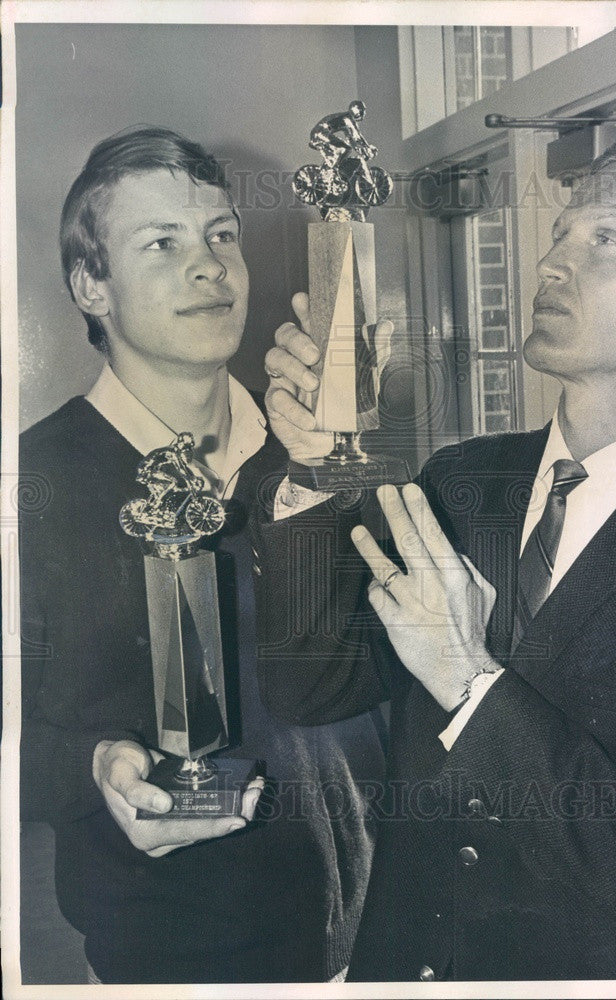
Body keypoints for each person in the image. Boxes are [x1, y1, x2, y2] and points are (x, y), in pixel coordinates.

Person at [254, 135, 616, 980]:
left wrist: (469, 680)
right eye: (560, 233)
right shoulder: (464, 480)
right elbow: (312, 684)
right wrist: (315, 466)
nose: (552, 260)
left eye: (602, 238)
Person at [19, 127, 386, 984]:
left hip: (371, 933)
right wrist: (95, 765)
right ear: (90, 284)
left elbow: (377, 676)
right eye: (162, 243)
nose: (210, 267)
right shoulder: (32, 486)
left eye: (223, 235)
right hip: (174, 956)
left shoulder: (313, 451)